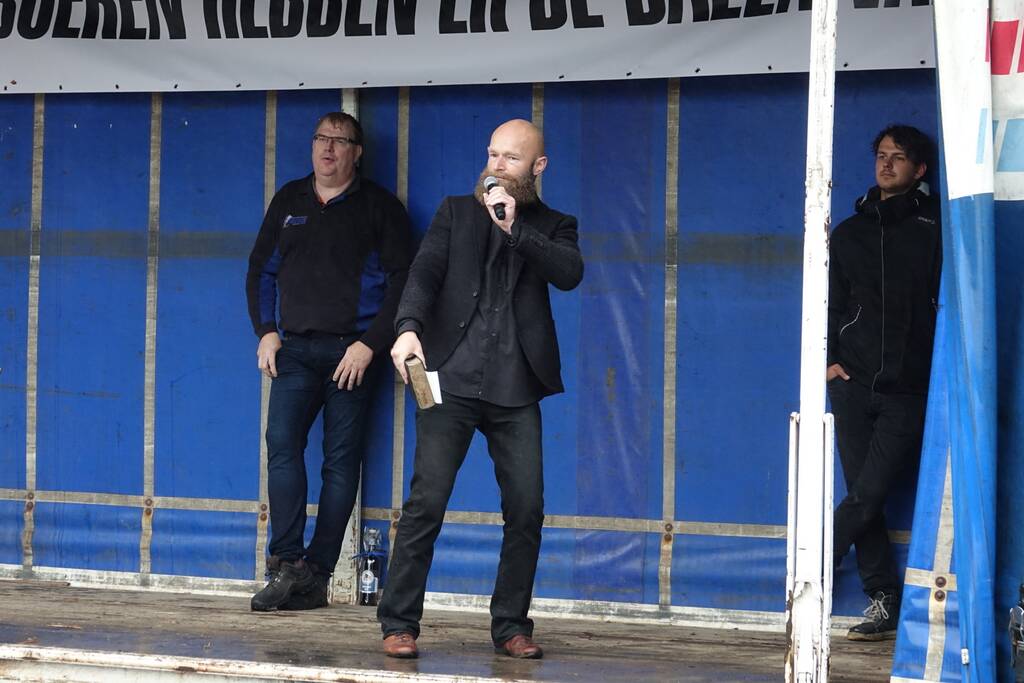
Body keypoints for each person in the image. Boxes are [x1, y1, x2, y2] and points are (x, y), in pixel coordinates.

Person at [376, 119, 583, 659]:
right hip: (449, 378)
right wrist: (407, 328)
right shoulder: (454, 212)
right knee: (428, 501)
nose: (495, 165)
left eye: (510, 158)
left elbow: (569, 273)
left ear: (537, 168)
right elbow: (422, 275)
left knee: (526, 508)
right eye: (492, 153)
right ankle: (399, 622)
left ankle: (511, 625)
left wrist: (515, 229)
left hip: (516, 387)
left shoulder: (556, 225)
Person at [245, 112, 412, 611]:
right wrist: (267, 331)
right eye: (320, 138)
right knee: (282, 447)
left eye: (339, 142)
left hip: (351, 355)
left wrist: (370, 344)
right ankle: (286, 563)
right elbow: (260, 270)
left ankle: (315, 577)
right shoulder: (290, 200)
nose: (328, 149)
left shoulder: (381, 207)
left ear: (357, 152)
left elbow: (405, 283)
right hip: (293, 351)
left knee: (340, 464)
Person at [827, 124, 942, 640]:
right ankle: (883, 598)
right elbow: (827, 305)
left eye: (898, 157)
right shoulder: (848, 232)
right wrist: (829, 361)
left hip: (908, 387)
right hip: (851, 385)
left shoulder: (938, 227)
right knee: (862, 493)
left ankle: (810, 565)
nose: (886, 163)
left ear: (920, 170)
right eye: (880, 155)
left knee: (869, 494)